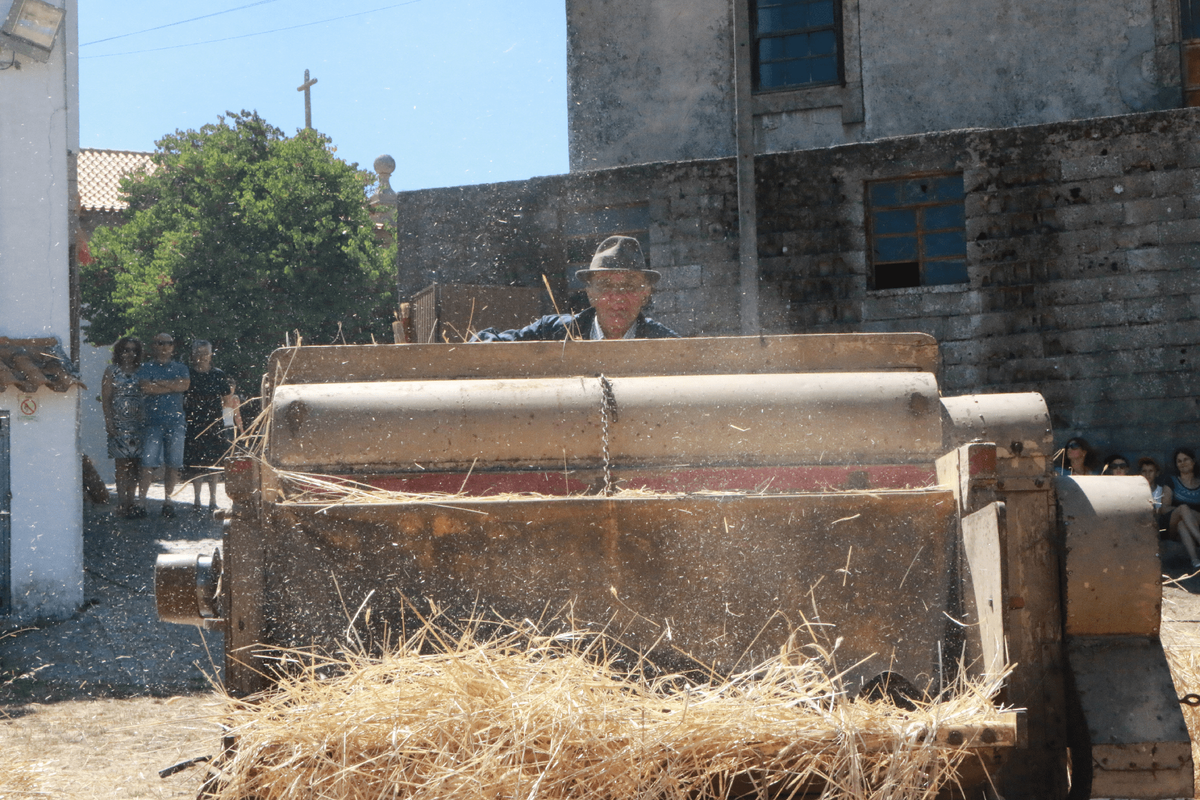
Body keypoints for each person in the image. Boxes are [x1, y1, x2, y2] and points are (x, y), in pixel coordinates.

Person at [472, 236, 679, 341]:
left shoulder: (666, 343)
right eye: (606, 285)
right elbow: (486, 342)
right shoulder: (553, 331)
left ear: (645, 294)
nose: (617, 296)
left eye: (629, 286)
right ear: (590, 294)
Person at [137, 333, 191, 517]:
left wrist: (158, 384)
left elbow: (184, 386)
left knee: (173, 464)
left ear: (173, 346)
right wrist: (171, 385)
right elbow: (145, 387)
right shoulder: (145, 367)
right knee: (147, 463)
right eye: (161, 343)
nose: (165, 347)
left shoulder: (181, 367)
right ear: (154, 345)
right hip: (152, 422)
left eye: (169, 343)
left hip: (176, 422)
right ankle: (141, 503)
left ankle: (169, 502)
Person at [183, 340, 240, 512]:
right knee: (196, 464)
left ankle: (213, 500)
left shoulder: (218, 374)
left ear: (210, 354)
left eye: (205, 352)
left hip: (214, 424)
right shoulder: (188, 373)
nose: (201, 356)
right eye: (198, 352)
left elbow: (226, 399)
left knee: (214, 463)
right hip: (194, 424)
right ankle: (197, 500)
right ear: (193, 355)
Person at [101, 336, 146, 518]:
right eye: (126, 349)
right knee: (121, 465)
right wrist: (109, 422)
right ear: (119, 351)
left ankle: (131, 501)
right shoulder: (111, 371)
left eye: (134, 350)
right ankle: (121, 502)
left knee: (135, 465)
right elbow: (106, 400)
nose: (130, 353)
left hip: (139, 424)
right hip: (119, 424)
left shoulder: (142, 371)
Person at [1162, 447, 1200, 570]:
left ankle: (1195, 561)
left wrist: (1190, 514)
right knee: (1183, 508)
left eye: (1186, 459)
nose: (1182, 463)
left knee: (1182, 525)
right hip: (1172, 527)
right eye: (1179, 461)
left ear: (1193, 462)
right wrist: (1185, 512)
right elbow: (1164, 508)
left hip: (1195, 524)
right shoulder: (1171, 481)